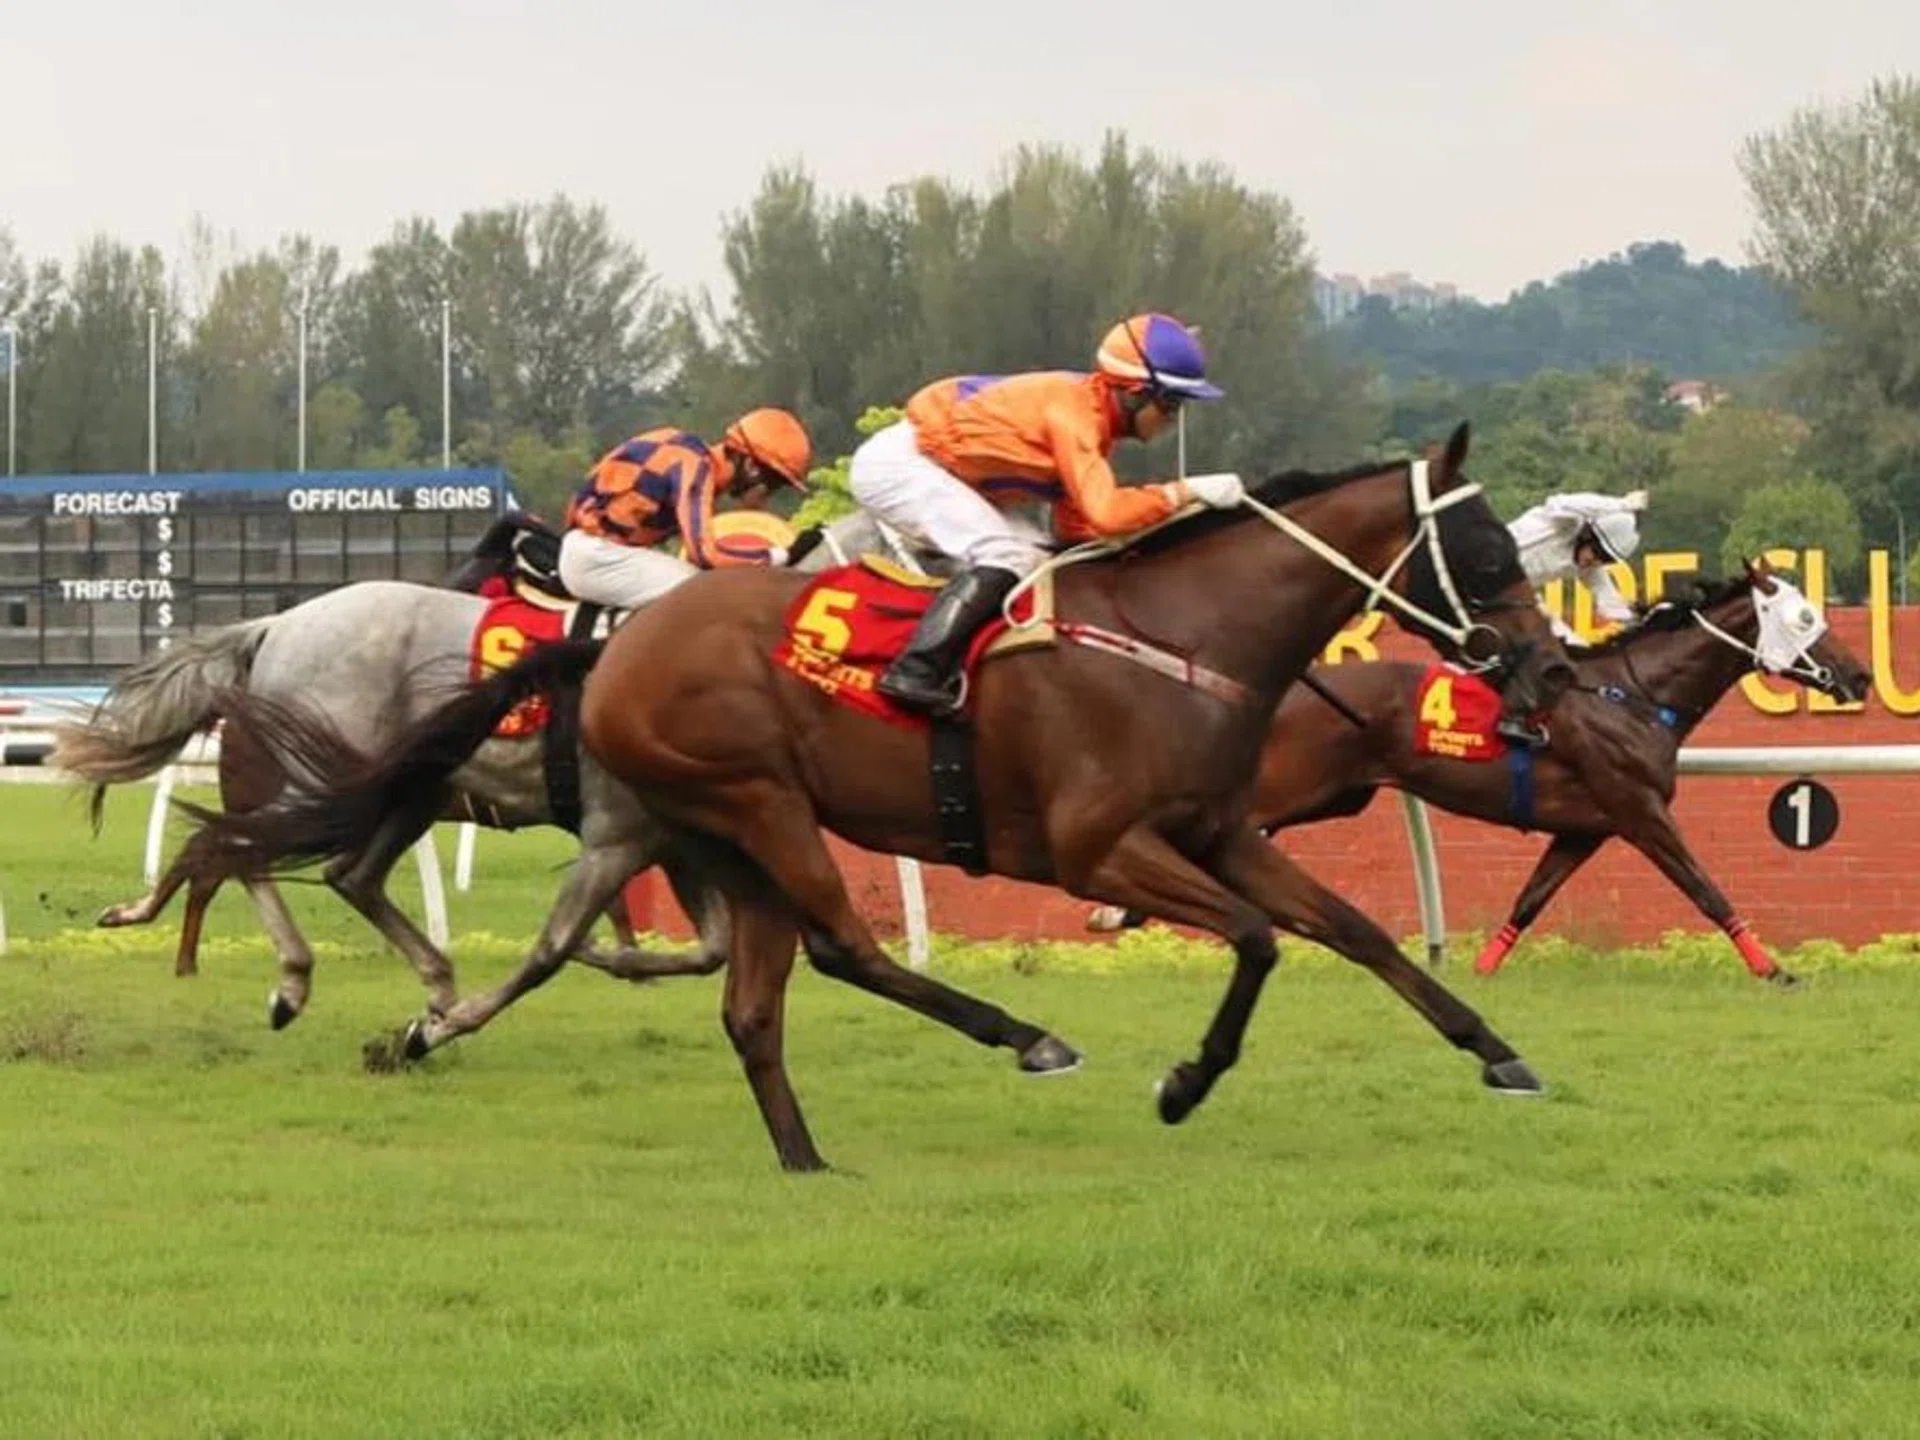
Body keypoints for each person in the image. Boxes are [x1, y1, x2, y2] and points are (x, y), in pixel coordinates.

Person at [848, 313, 1243, 715]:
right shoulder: (1073, 415)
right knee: (1008, 555)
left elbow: (1077, 530)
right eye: (1171, 404)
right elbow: (1107, 515)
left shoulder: (1095, 427)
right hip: (900, 466)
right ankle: (915, 670)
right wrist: (1184, 492)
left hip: (943, 472)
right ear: (1136, 392)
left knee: (1036, 556)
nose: (1173, 419)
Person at [557, 408, 813, 610]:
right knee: (703, 594)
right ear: (751, 466)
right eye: (773, 484)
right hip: (597, 558)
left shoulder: (688, 454)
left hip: (593, 552)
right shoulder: (694, 466)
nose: (766, 496)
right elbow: (705, 556)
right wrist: (784, 556)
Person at [1508, 490, 1650, 645]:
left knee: (1572, 645)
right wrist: (1620, 505)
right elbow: (1559, 502)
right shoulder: (1565, 525)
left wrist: (1634, 622)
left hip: (1512, 592)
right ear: (1587, 535)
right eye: (1597, 553)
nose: (1595, 562)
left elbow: (1605, 592)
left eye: (1605, 560)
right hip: (1487, 563)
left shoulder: (1589, 565)